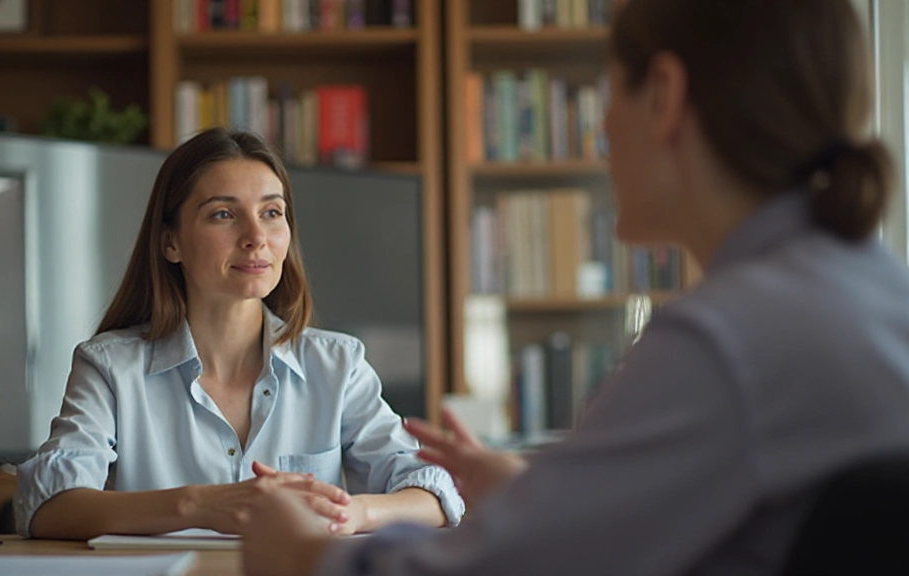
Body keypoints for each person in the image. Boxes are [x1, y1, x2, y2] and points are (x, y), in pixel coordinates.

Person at [237, 1, 909, 575]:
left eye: (608, 91)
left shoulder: (726, 340)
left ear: (665, 95)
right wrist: (544, 497)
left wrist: (305, 555)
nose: (601, 131)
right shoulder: (867, 290)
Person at [14, 129, 463, 539]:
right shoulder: (109, 366)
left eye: (271, 212)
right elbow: (47, 507)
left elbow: (434, 493)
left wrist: (353, 513)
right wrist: (199, 505)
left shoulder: (338, 365)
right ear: (170, 241)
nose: (256, 237)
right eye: (224, 214)